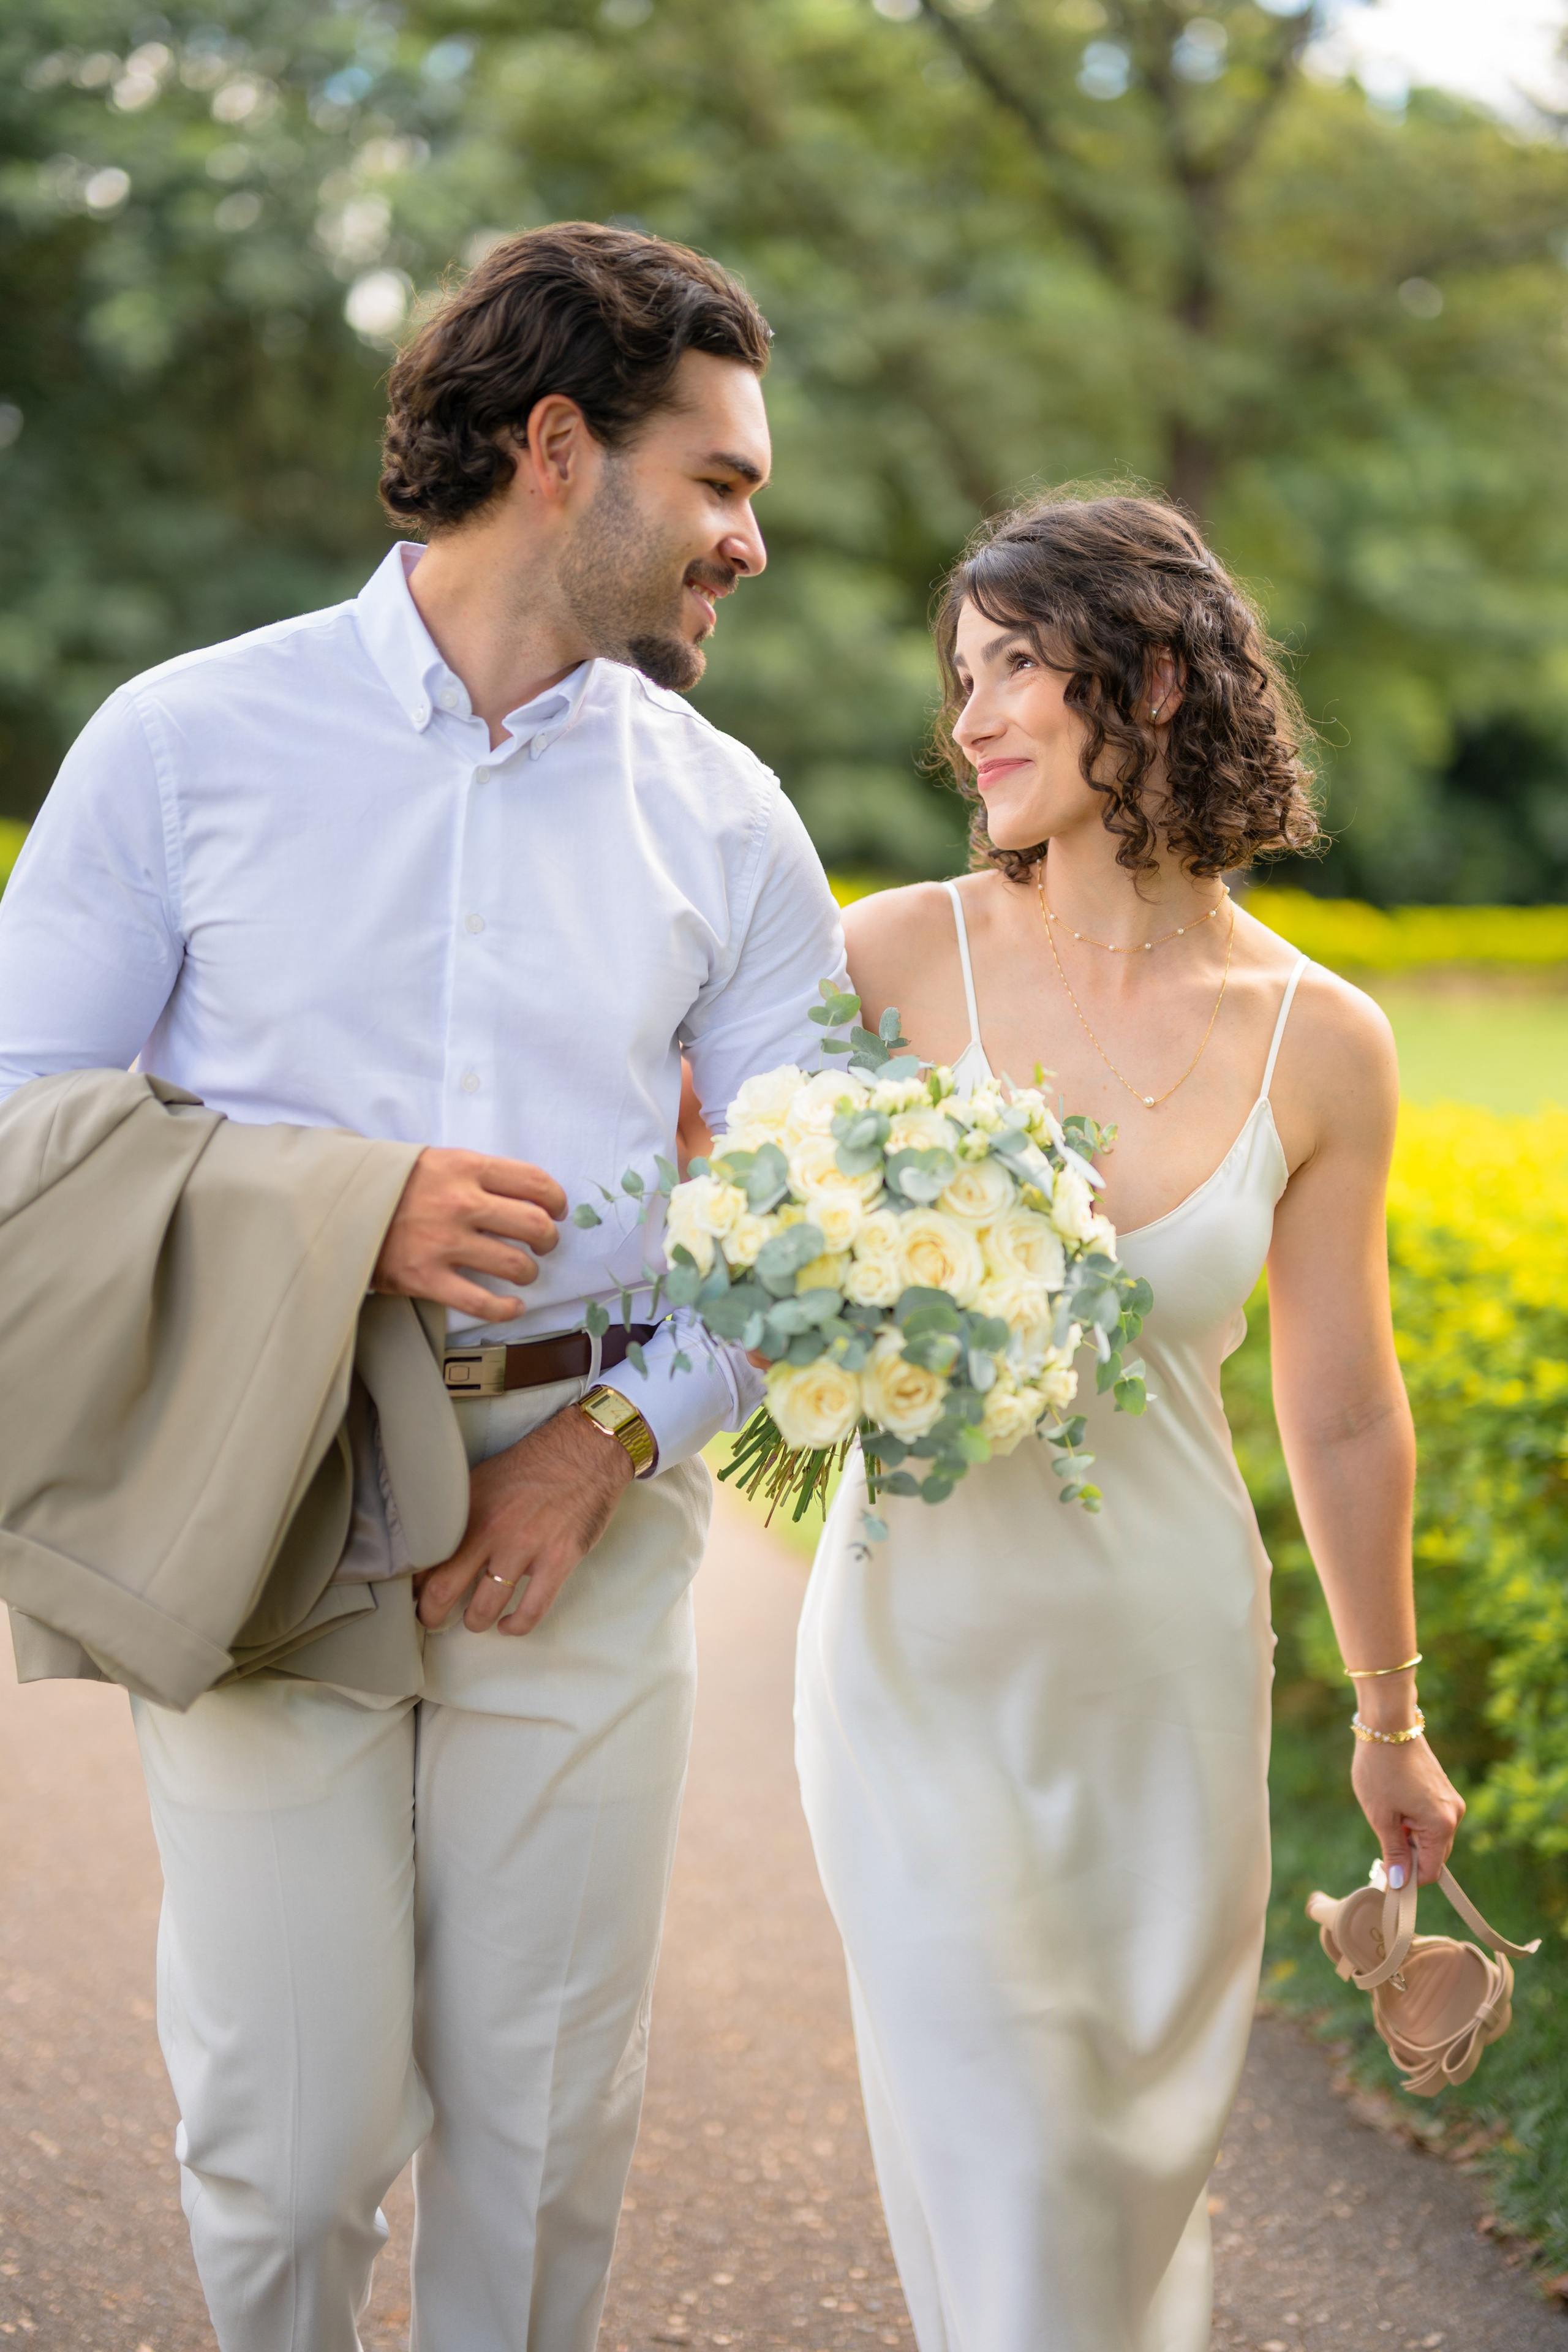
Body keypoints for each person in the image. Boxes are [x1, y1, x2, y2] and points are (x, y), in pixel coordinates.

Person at [0, 222, 843, 2352]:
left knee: (549, 2127)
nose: (755, 534)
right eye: (723, 480)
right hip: (267, 1484)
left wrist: (609, 1441)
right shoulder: (186, 744)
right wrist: (338, 1211)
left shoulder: (729, 818)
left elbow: (818, 1219)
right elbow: (18, 1129)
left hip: (588, 1509)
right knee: (283, 2145)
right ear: (560, 447)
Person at [794, 491, 1464, 2352]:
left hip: (1168, 1672)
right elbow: (734, 1257)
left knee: (1118, 2178)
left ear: (1154, 676)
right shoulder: (890, 962)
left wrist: (1391, 1723)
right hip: (916, 1660)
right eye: (962, 678)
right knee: (1009, 2146)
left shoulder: (1320, 1038)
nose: (973, 718)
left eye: (1016, 665)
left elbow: (1341, 1409)